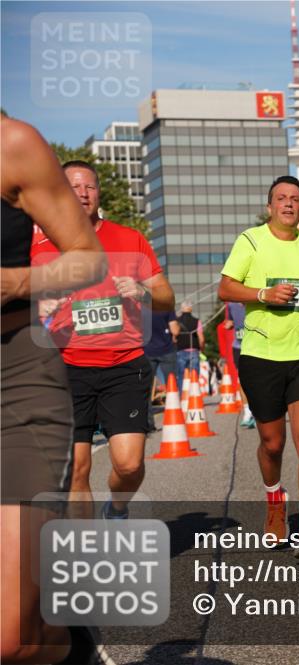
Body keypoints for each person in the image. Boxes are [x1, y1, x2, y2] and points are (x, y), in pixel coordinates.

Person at [1, 116, 107, 664]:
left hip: (13, 377)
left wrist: (13, 281)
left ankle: (66, 648)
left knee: (9, 636)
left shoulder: (12, 144)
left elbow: (89, 257)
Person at [32, 160, 176, 523]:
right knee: (77, 470)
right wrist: (38, 304)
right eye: (73, 187)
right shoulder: (37, 245)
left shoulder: (129, 239)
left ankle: (118, 507)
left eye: (89, 187)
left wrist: (143, 291)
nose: (82, 193)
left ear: (98, 194)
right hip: (65, 368)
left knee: (129, 465)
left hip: (123, 365)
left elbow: (166, 298)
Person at [218, 175, 299, 559]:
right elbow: (225, 287)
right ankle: (275, 500)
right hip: (261, 355)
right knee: (273, 444)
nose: (289, 204)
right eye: (282, 198)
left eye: (295, 199)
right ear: (270, 206)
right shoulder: (251, 241)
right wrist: (263, 294)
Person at [144, 308, 180, 430]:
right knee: (172, 386)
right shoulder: (166, 306)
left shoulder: (141, 307)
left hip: (147, 351)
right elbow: (175, 330)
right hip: (167, 350)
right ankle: (176, 419)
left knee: (146, 390)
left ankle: (148, 424)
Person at [223, 301, 255, 427]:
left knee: (258, 379)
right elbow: (229, 321)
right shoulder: (231, 304)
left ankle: (259, 410)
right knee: (242, 379)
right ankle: (247, 412)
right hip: (239, 346)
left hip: (256, 345)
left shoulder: (256, 299)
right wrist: (229, 324)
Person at [175, 300, 203, 381]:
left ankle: (182, 392)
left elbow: (174, 336)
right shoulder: (197, 321)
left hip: (180, 350)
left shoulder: (177, 321)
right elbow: (201, 338)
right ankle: (194, 392)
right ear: (191, 308)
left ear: (181, 308)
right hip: (194, 350)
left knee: (181, 375)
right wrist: (201, 347)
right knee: (194, 374)